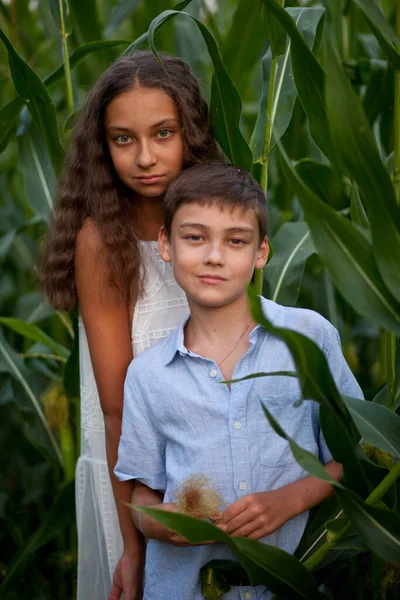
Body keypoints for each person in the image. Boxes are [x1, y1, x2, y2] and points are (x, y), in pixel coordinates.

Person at [115, 162, 363, 600]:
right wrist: (166, 523)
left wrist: (289, 500)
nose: (214, 256)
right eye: (195, 237)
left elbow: (354, 459)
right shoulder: (148, 374)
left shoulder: (308, 337)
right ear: (165, 245)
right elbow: (142, 497)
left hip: (297, 583)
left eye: (235, 241)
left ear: (261, 253)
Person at [39, 52, 221, 600]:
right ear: (103, 147)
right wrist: (134, 545)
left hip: (211, 461)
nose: (145, 157)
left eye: (163, 133)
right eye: (123, 139)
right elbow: (117, 408)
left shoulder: (215, 224)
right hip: (136, 477)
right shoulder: (102, 245)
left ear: (189, 132)